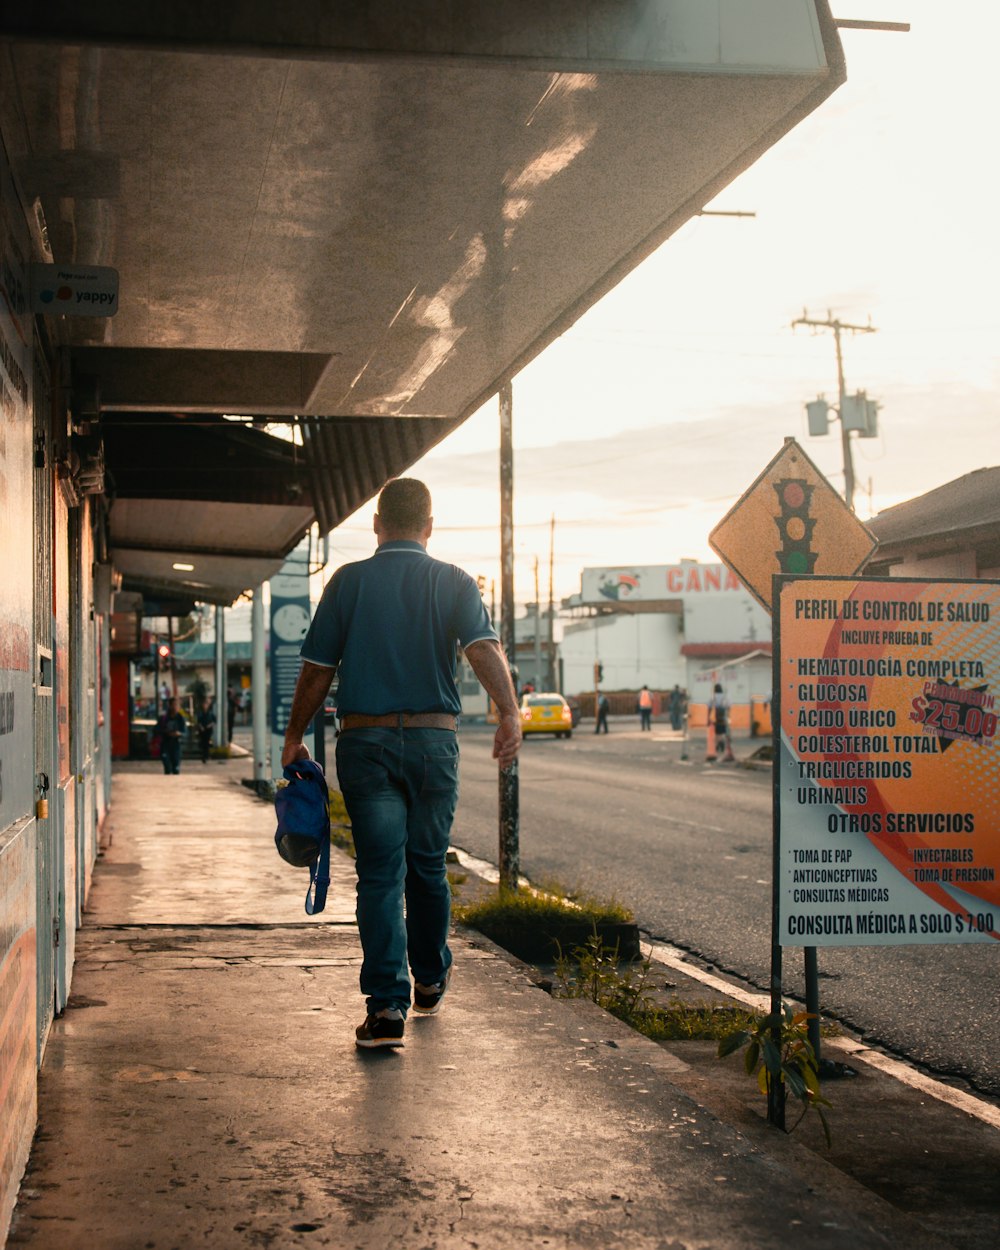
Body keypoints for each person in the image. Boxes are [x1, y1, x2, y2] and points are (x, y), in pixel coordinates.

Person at [281, 478, 522, 1050]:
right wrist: (509, 712)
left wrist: (294, 736)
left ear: (377, 523)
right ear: (430, 527)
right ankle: (431, 976)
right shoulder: (455, 581)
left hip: (366, 745)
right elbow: (483, 648)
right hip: (434, 743)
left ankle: (387, 1007)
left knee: (381, 874)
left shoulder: (349, 582)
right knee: (428, 866)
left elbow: (317, 669)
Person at [156, 697, 187, 775]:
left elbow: (185, 732)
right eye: (174, 705)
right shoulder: (164, 718)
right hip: (165, 745)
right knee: (167, 768)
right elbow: (157, 730)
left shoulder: (180, 718)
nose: (176, 707)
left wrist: (178, 733)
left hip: (176, 745)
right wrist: (166, 732)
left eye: (177, 705)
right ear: (170, 706)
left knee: (176, 770)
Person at [707, 683, 735, 762]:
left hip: (717, 718)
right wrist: (728, 714)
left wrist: (708, 719)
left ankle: (719, 742)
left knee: (717, 732)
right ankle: (725, 746)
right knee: (726, 733)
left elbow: (709, 707)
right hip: (725, 717)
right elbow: (729, 706)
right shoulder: (725, 697)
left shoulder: (713, 697)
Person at [196, 696, 216, 764]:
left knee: (207, 743)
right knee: (203, 743)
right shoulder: (200, 713)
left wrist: (209, 725)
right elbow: (198, 721)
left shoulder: (210, 713)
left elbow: (214, 721)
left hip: (208, 730)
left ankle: (206, 756)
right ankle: (203, 756)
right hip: (202, 730)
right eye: (204, 704)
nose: (205, 706)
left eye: (206, 704)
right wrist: (201, 726)